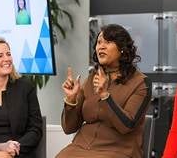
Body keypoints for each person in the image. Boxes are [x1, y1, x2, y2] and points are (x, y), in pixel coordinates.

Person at [57, 24, 150, 158]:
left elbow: (127, 125)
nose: (101, 46)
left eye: (108, 42)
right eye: (99, 42)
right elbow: (69, 128)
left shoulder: (140, 83)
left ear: (122, 49)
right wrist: (71, 100)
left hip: (118, 151)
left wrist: (105, 95)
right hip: (80, 147)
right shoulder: (91, 79)